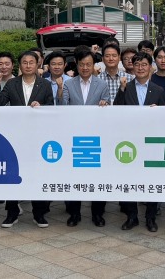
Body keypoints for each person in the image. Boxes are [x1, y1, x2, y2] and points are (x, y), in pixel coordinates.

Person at [0, 50, 54, 228]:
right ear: (20, 65)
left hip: (37, 137)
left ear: (37, 65)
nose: (28, 65)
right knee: (14, 173)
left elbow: (51, 107)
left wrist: (41, 106)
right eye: (24, 62)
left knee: (37, 174)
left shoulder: (44, 84)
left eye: (31, 62)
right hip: (16, 137)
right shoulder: (12, 84)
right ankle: (11, 213)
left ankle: (39, 213)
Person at [114, 51, 165, 232]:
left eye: (144, 65)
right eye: (137, 65)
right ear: (132, 67)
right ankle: (132, 216)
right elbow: (116, 111)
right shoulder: (126, 87)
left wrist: (158, 111)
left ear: (150, 67)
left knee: (152, 180)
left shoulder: (158, 90)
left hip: (152, 142)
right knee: (129, 179)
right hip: (129, 141)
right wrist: (121, 90)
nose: (141, 68)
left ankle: (150, 217)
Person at [60, 47, 110, 227]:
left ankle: (97, 213)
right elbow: (62, 108)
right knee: (74, 177)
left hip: (96, 139)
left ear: (94, 65)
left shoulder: (102, 85)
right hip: (74, 138)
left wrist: (105, 104)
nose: (85, 68)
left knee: (97, 177)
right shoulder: (68, 84)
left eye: (88, 64)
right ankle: (74, 213)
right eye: (82, 65)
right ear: (77, 65)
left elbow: (109, 108)